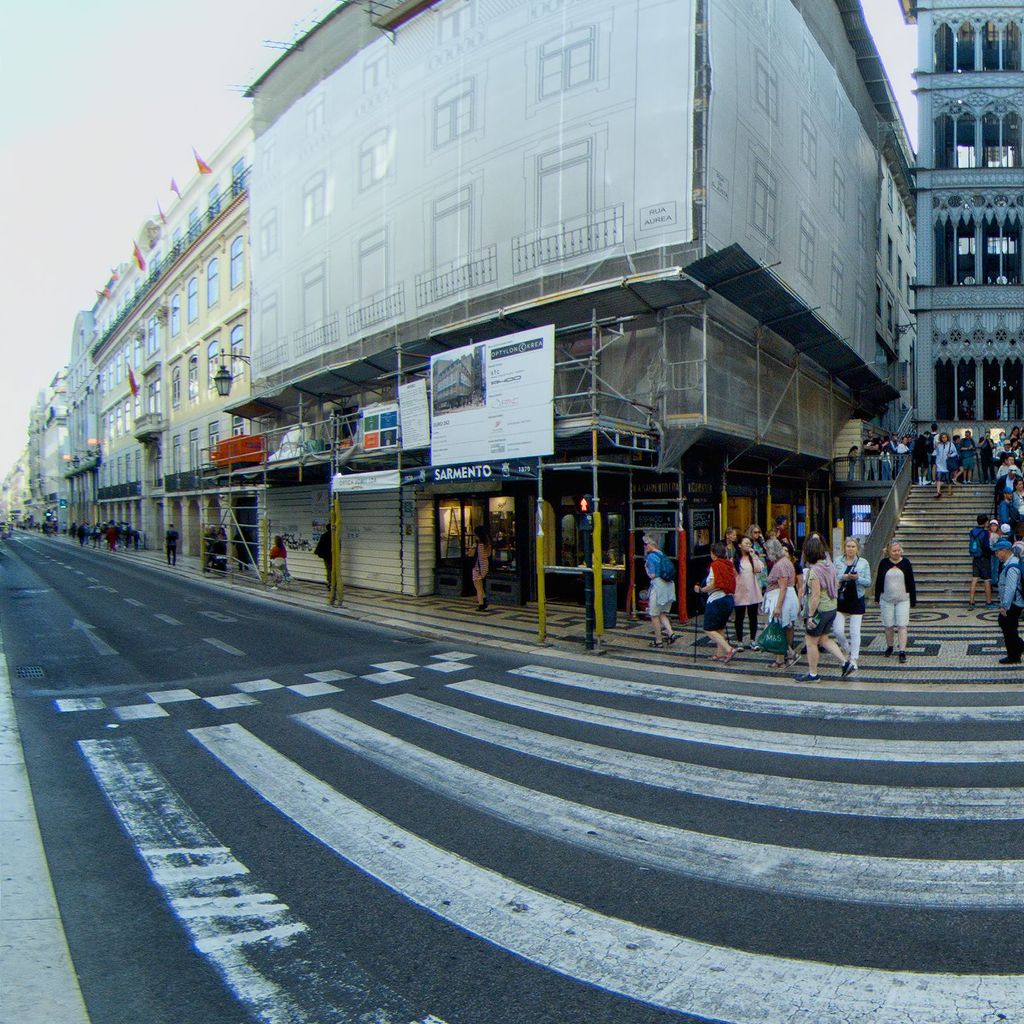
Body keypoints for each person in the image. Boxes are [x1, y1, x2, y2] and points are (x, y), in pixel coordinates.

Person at [794, 535, 850, 682]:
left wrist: (810, 616)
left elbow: (815, 596)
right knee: (824, 639)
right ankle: (845, 662)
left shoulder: (814, 571)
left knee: (811, 642)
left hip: (820, 610)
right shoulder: (829, 566)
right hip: (832, 607)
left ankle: (813, 674)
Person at [832, 537, 871, 674]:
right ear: (844, 547)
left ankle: (854, 658)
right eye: (848, 546)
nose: (850, 549)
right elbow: (833, 577)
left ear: (857, 548)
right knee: (837, 630)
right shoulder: (837, 561)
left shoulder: (863, 563)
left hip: (856, 598)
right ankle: (847, 649)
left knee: (855, 631)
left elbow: (868, 582)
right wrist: (844, 577)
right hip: (840, 599)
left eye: (853, 546)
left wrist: (857, 578)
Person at [874, 540, 916, 664]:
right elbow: (879, 581)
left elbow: (911, 581)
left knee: (902, 625)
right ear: (889, 552)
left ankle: (902, 650)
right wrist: (877, 597)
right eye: (894, 551)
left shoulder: (906, 562)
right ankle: (890, 646)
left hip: (903, 599)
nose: (897, 553)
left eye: (898, 550)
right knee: (888, 625)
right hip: (886, 599)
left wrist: (913, 598)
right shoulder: (883, 563)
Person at [693, 542, 737, 663]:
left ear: (713, 554)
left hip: (717, 599)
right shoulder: (728, 564)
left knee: (708, 628)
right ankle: (719, 654)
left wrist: (701, 590)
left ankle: (729, 649)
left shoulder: (715, 565)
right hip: (728, 599)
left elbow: (715, 583)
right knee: (720, 628)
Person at [762, 538, 798, 669]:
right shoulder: (785, 562)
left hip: (782, 599)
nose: (766, 553)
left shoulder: (780, 565)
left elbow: (782, 587)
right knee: (785, 627)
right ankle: (784, 656)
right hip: (786, 597)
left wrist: (777, 607)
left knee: (778, 628)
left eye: (767, 550)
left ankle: (782, 658)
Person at [642, 534, 677, 648]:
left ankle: (658, 641)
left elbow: (652, 575)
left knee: (654, 614)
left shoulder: (651, 557)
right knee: (662, 612)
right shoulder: (661, 554)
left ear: (652, 544)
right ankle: (671, 633)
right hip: (669, 586)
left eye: (646, 544)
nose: (645, 546)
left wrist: (646, 568)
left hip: (658, 587)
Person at [993, 538, 1024, 665]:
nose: (996, 554)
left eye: (997, 551)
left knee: (1007, 627)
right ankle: (1015, 654)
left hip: (1013, 604)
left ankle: (1015, 652)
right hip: (1015, 603)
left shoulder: (1011, 567)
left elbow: (1010, 588)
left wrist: (1005, 606)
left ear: (1004, 551)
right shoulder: (1012, 563)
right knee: (1010, 628)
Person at [732, 535, 763, 650]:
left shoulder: (752, 557)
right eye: (746, 543)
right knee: (739, 617)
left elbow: (758, 569)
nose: (748, 546)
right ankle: (739, 641)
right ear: (740, 545)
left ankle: (753, 640)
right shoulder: (735, 560)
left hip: (752, 590)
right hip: (739, 590)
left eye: (750, 544)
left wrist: (754, 556)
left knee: (753, 616)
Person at [968, 514, 993, 610]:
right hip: (984, 558)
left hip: (975, 557)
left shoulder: (972, 531)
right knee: (987, 580)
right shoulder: (985, 533)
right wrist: (992, 552)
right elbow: (986, 546)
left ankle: (971, 602)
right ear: (986, 522)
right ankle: (988, 602)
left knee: (974, 579)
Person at [471, 525, 491, 611]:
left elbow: (471, 554)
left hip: (477, 567)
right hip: (485, 565)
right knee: (480, 585)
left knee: (478, 586)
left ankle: (481, 604)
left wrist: (473, 547)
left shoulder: (478, 544)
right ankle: (484, 600)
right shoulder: (487, 543)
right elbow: (488, 554)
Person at [934, 432, 957, 498]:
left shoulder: (951, 444)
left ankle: (949, 491)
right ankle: (938, 491)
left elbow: (955, 452)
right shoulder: (939, 445)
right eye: (942, 437)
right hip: (939, 463)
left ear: (947, 438)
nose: (944, 439)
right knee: (938, 477)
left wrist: (950, 455)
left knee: (948, 478)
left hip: (947, 463)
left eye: (945, 437)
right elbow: (937, 453)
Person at [314, 524, 333, 588]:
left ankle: (330, 582)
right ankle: (332, 582)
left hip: (326, 556)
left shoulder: (324, 536)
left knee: (329, 569)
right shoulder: (335, 536)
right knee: (333, 569)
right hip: (333, 555)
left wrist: (318, 553)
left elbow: (320, 545)